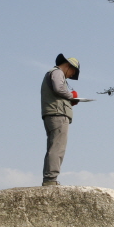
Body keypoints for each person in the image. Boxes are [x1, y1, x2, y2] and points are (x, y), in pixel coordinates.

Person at [40, 53, 80, 186]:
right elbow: (58, 88)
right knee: (58, 147)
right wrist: (71, 96)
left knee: (54, 146)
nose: (70, 75)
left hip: (53, 113)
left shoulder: (53, 73)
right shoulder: (57, 72)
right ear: (69, 66)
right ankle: (50, 179)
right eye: (72, 72)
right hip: (58, 114)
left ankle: (49, 178)